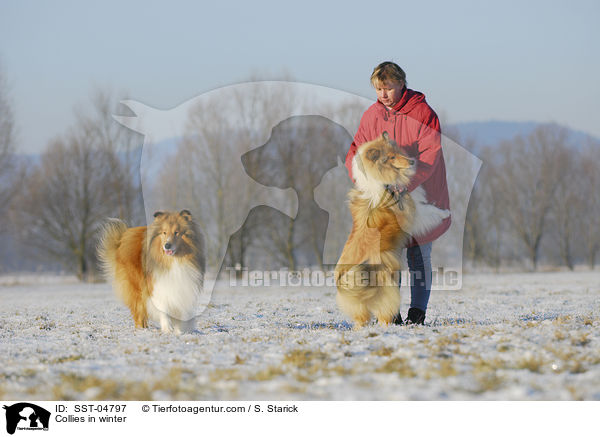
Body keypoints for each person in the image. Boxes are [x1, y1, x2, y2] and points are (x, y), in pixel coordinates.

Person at [345, 61, 451, 325]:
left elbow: (430, 154)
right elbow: (356, 151)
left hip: (421, 192)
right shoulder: (372, 115)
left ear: (401, 84)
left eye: (388, 88)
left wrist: (405, 184)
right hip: (383, 198)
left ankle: (417, 312)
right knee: (386, 255)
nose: (383, 94)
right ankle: (389, 314)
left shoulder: (423, 113)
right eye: (379, 89)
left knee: (418, 253)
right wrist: (362, 179)